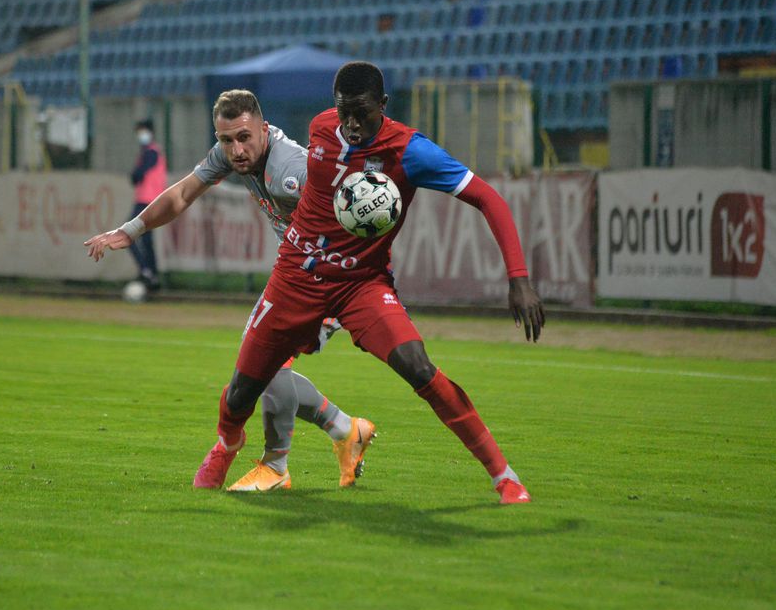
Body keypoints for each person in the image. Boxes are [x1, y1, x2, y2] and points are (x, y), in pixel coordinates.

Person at [195, 62, 545, 504]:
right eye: (344, 112)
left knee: (417, 365)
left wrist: (519, 279)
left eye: (362, 112)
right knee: (244, 387)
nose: (352, 124)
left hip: (360, 283)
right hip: (296, 276)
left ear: (383, 105)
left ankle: (504, 477)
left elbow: (488, 198)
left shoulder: (410, 151)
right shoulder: (322, 128)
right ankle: (227, 446)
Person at [85, 90, 374, 492]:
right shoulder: (230, 154)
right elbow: (183, 193)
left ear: (263, 127)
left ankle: (278, 465)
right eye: (226, 140)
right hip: (300, 276)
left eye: (243, 137)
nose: (235, 150)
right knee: (263, 366)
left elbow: (353, 207)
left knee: (264, 360)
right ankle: (345, 429)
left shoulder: (290, 168)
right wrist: (130, 231)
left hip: (335, 277)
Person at [128, 118, 167, 290]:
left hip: (146, 201)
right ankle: (152, 275)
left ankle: (146, 271)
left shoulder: (151, 153)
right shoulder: (150, 152)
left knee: (128, 235)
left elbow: (137, 175)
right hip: (152, 201)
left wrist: (135, 174)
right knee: (146, 240)